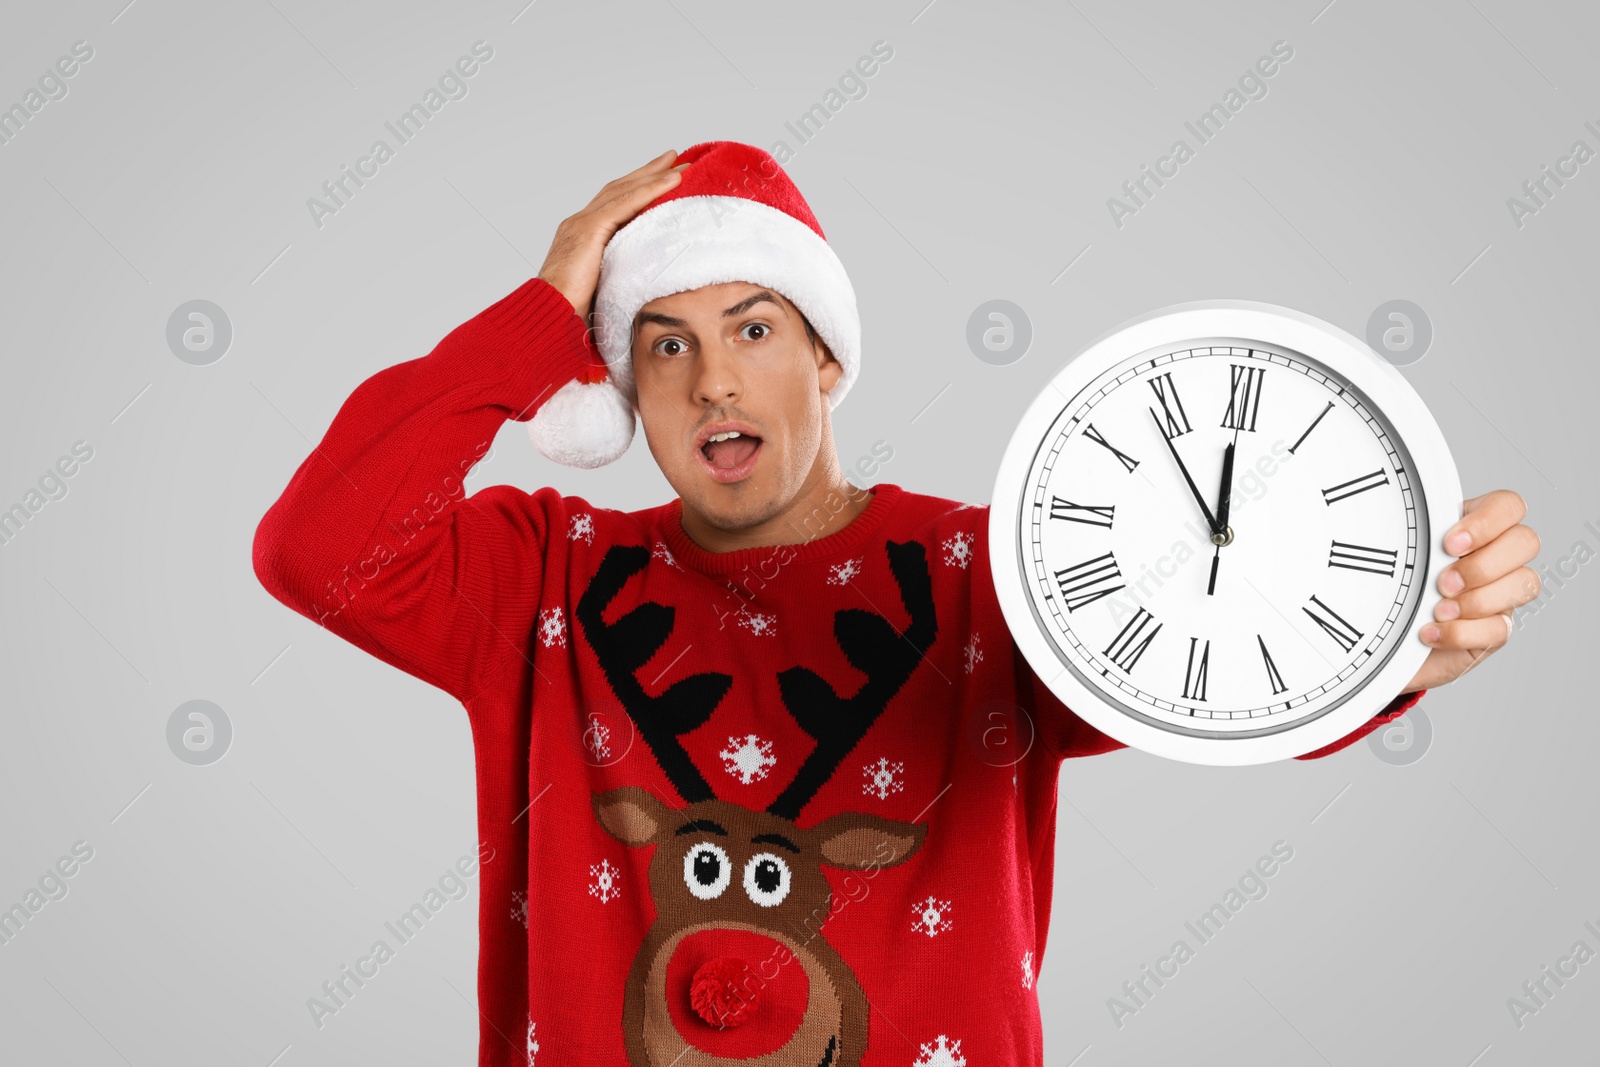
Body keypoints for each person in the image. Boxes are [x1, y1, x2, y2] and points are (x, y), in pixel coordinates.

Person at [252, 141, 1541, 1067]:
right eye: (664, 343)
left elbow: (1222, 676)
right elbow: (317, 547)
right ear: (621, 392)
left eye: (755, 330)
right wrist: (535, 319)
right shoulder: (540, 574)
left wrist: (1405, 652)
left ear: (827, 355)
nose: (712, 383)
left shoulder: (999, 573)